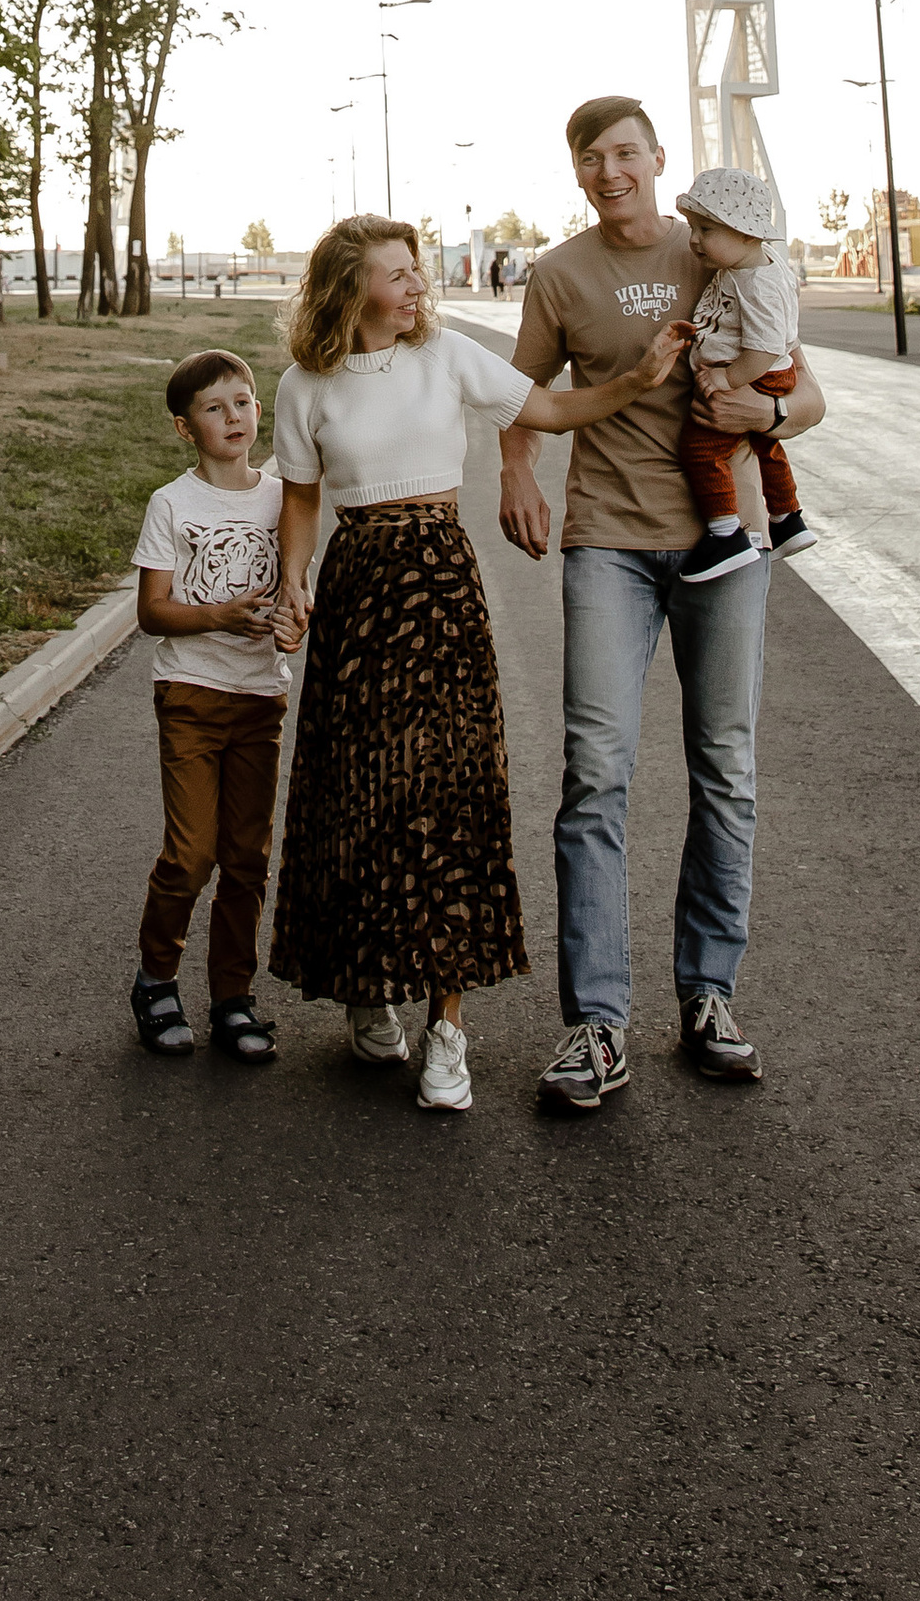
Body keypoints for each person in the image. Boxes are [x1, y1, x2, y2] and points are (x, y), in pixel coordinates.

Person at [268, 214, 677, 1113]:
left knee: (449, 797)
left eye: (417, 271)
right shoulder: (305, 386)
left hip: (440, 581)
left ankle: (447, 1026)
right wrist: (293, 581)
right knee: (359, 793)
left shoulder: (447, 357)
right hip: (358, 584)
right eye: (397, 274)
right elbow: (300, 500)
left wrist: (636, 380)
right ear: (350, 288)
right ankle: (371, 991)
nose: (417, 286)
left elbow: (552, 409)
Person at [500, 96, 826, 1113]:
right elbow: (520, 397)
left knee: (723, 767)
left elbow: (806, 393)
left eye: (626, 155)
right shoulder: (560, 275)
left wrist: (768, 411)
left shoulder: (721, 249)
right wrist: (519, 474)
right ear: (578, 172)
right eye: (591, 159)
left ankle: (708, 998)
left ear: (658, 161)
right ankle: (596, 1024)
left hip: (724, 553)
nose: (610, 173)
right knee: (594, 773)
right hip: (608, 542)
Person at [128, 349, 288, 1063]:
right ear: (184, 428)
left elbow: (296, 592)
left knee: (247, 858)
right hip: (191, 692)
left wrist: (293, 621)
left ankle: (233, 998)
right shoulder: (173, 503)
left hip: (260, 696)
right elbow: (154, 612)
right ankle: (157, 979)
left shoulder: (284, 495)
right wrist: (218, 616)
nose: (234, 416)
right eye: (214, 407)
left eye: (244, 401)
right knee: (192, 855)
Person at [672, 165, 815, 567]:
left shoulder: (757, 282)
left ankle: (725, 534)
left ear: (748, 233)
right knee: (767, 446)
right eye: (692, 228)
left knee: (701, 450)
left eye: (707, 230)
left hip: (756, 375)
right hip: (764, 375)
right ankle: (788, 519)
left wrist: (727, 377)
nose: (695, 240)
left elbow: (767, 347)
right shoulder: (748, 267)